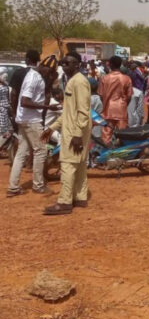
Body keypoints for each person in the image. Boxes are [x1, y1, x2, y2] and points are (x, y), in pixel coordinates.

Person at [40, 52, 92, 215]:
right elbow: (68, 112)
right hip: (73, 129)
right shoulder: (72, 81)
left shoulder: (79, 82)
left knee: (68, 165)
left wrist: (77, 134)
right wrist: (52, 128)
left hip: (76, 132)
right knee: (80, 165)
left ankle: (64, 202)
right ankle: (80, 197)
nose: (64, 66)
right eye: (63, 64)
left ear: (77, 65)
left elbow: (83, 111)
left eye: (68, 63)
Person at [7, 56, 60, 197]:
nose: (49, 74)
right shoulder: (34, 78)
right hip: (31, 120)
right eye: (50, 71)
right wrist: (47, 106)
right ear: (45, 67)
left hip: (24, 119)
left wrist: (52, 78)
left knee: (21, 153)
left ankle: (13, 187)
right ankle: (38, 185)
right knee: (41, 150)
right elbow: (25, 101)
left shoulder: (34, 76)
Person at [98, 56, 132, 146]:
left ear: (110, 64)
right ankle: (123, 155)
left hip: (108, 109)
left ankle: (106, 156)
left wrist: (106, 103)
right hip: (121, 109)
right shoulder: (126, 78)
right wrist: (124, 105)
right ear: (120, 65)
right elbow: (129, 96)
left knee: (106, 135)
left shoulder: (104, 78)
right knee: (123, 135)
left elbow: (101, 95)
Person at [8, 50, 41, 127]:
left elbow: (13, 94)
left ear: (27, 59)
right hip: (36, 115)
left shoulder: (19, 72)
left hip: (21, 114)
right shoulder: (40, 74)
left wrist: (13, 113)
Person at [127, 61, 147, 127]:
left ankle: (132, 124)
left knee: (131, 109)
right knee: (137, 108)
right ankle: (137, 123)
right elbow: (142, 78)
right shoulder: (136, 72)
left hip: (133, 90)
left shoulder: (129, 72)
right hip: (137, 90)